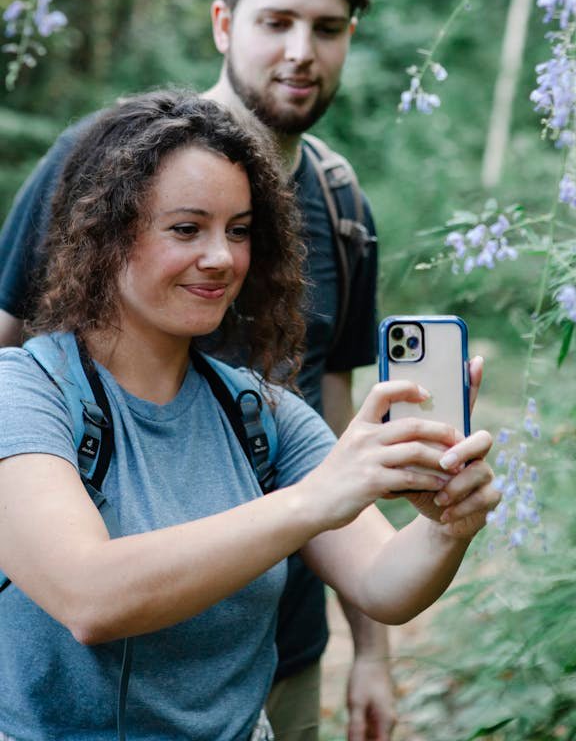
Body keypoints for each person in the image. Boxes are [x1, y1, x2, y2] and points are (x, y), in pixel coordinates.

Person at [0, 90, 499, 741]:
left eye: (238, 231)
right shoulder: (25, 391)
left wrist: (446, 528)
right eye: (187, 229)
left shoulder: (260, 415)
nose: (222, 258)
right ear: (107, 234)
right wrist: (312, 501)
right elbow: (89, 597)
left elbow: (384, 582)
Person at [1, 0, 381, 738]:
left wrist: (375, 651)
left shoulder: (340, 204)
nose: (299, 51)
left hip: (273, 646)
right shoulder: (98, 165)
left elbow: (333, 419)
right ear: (223, 22)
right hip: (73, 658)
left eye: (326, 28)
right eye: (275, 21)